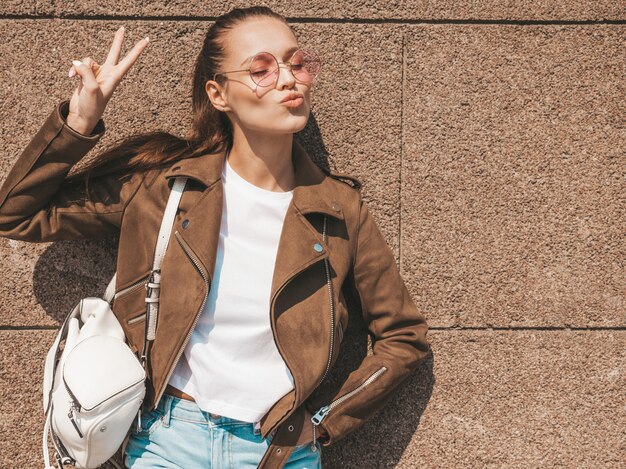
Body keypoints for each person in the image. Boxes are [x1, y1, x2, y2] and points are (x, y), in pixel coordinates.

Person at [0, 6, 430, 469]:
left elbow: (403, 335)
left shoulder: (338, 210)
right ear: (218, 94)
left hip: (279, 451)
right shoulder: (166, 187)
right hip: (167, 442)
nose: (288, 79)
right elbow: (17, 215)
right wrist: (79, 122)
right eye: (262, 69)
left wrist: (325, 423)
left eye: (297, 63)